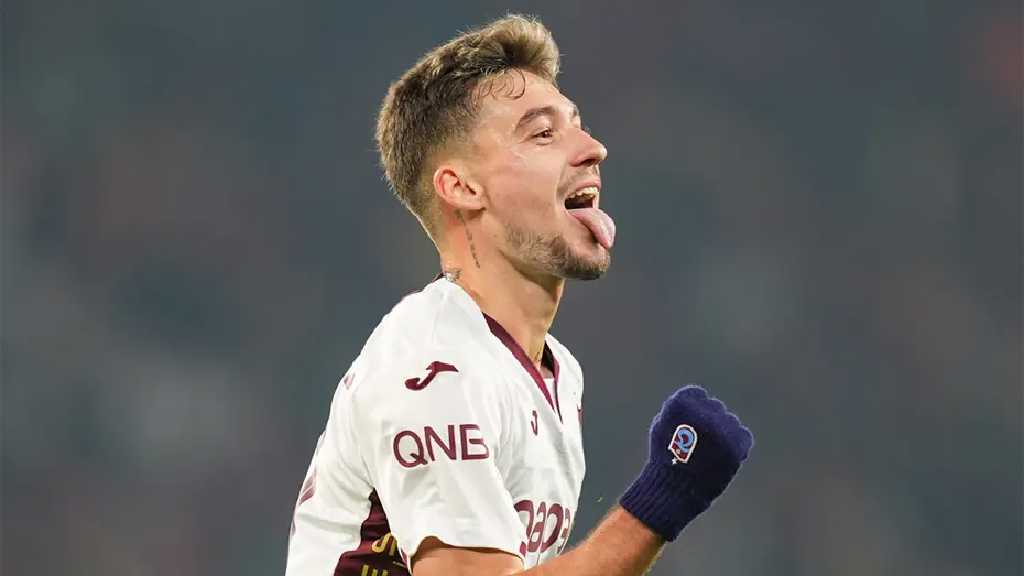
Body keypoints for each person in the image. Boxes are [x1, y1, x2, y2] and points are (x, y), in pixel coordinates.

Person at [285, 14, 753, 576]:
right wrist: (661, 500)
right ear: (462, 187)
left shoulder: (556, 374)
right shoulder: (434, 365)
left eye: (578, 125)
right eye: (543, 134)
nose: (594, 148)